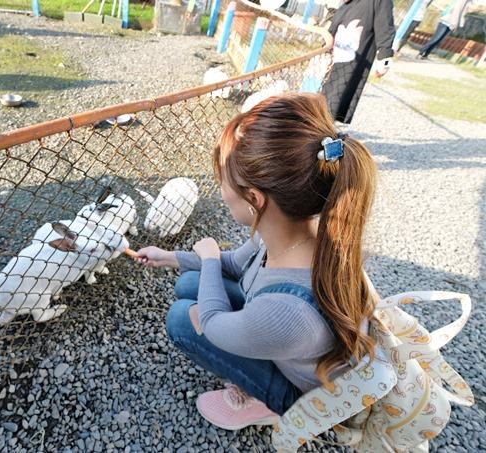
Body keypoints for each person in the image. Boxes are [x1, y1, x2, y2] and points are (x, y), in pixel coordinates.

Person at [133, 93, 378, 429]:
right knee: (189, 283)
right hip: (294, 343)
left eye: (223, 181)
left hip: (307, 395)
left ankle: (268, 405)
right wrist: (172, 257)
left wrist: (207, 258)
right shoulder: (297, 228)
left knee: (180, 319)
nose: (220, 191)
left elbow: (215, 324)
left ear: (254, 199)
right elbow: (235, 264)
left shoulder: (288, 311)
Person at [320, 0, 395, 125]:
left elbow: (384, 26)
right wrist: (324, 48)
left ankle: (321, 132)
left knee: (334, 98)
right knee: (319, 94)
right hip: (333, 53)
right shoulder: (347, 5)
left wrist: (384, 57)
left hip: (352, 56)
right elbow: (335, 24)